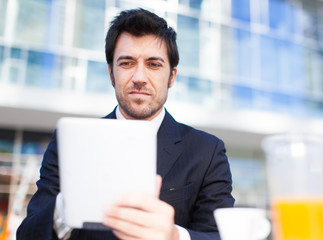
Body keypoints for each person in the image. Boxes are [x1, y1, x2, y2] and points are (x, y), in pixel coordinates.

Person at [16, 8, 234, 240]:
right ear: (111, 73)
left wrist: (174, 236)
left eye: (153, 64)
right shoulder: (71, 143)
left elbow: (220, 236)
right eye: (127, 63)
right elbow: (28, 234)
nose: (139, 77)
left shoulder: (207, 151)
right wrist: (65, 204)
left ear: (172, 76)